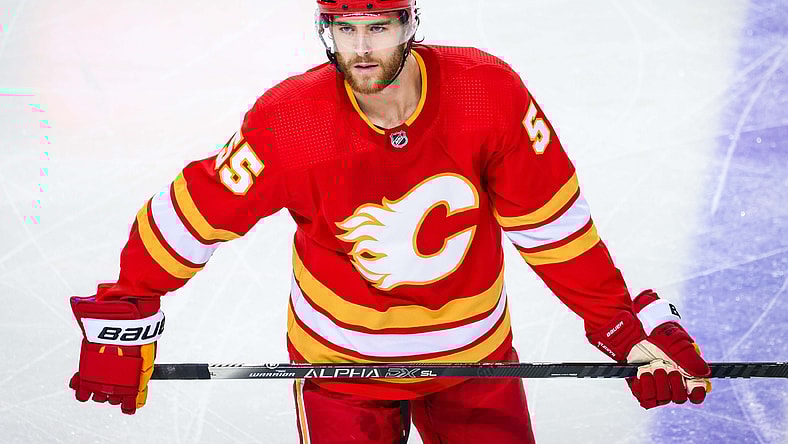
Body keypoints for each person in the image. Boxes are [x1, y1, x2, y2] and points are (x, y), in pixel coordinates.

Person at [68, 1, 712, 442]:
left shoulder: (487, 94)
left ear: (411, 22)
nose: (360, 48)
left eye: (376, 27)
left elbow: (555, 230)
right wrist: (125, 309)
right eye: (343, 29)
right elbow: (194, 213)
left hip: (476, 364)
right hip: (340, 375)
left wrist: (624, 326)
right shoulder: (292, 120)